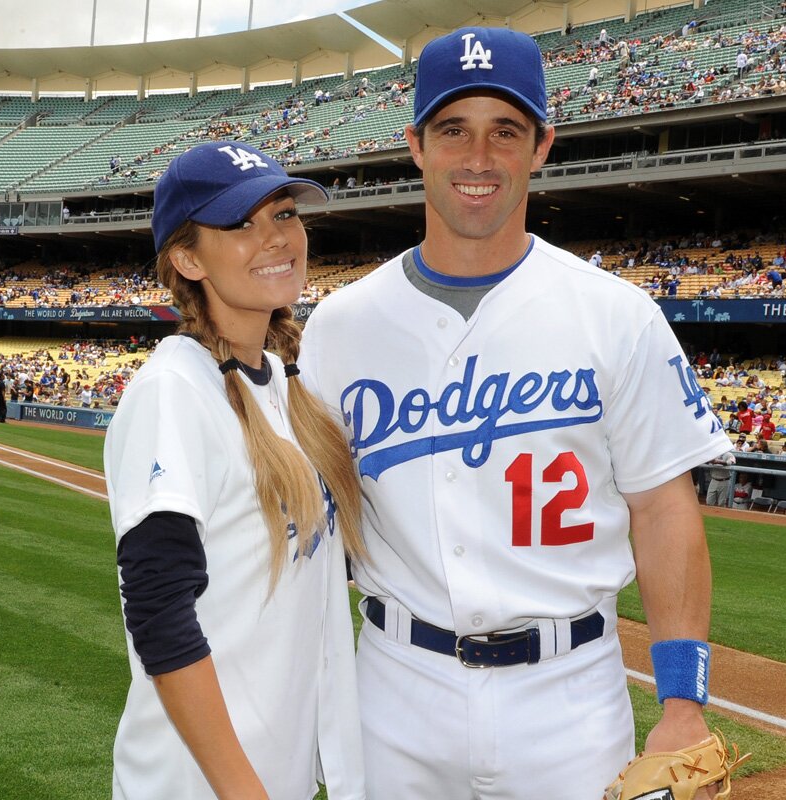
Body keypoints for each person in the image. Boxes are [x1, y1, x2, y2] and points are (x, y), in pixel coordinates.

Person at [299, 26, 732, 800]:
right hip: (395, 688)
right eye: (453, 130)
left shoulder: (615, 314)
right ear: (416, 146)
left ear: (541, 146)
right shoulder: (340, 326)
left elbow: (664, 510)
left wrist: (682, 702)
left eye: (506, 131)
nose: (478, 158)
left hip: (570, 697)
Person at [103, 141, 367, 800]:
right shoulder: (174, 390)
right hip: (202, 786)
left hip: (273, 774)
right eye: (241, 223)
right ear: (187, 258)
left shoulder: (280, 382)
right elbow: (160, 610)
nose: (276, 238)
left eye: (283, 214)